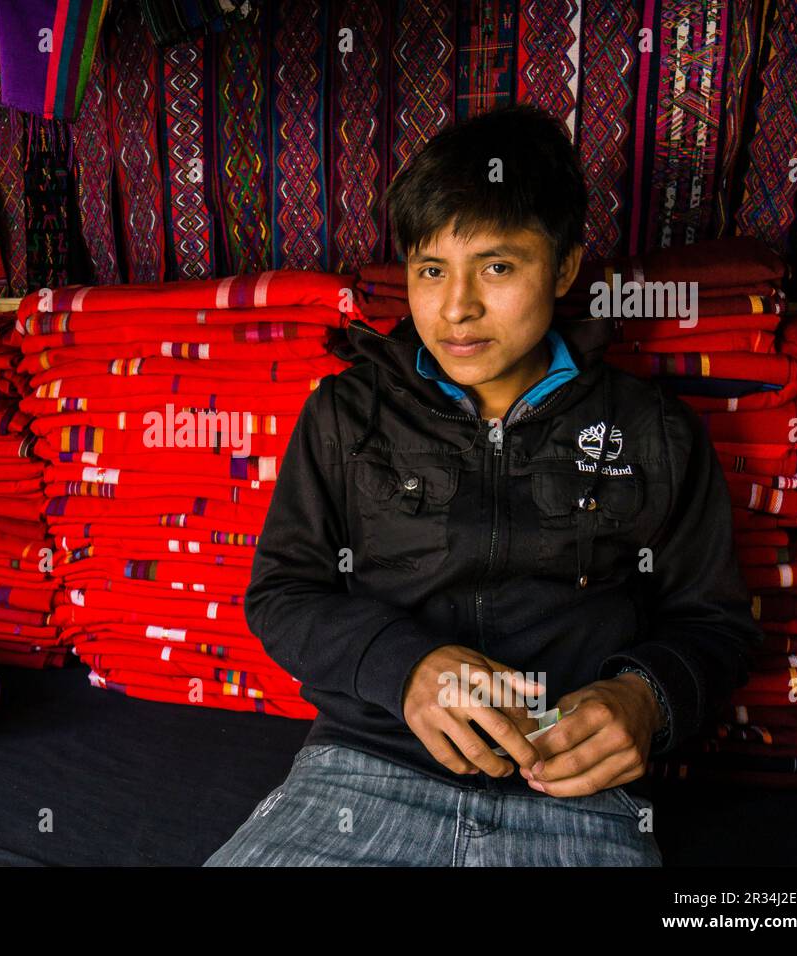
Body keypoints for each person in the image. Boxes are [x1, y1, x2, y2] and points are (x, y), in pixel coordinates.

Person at [204, 104, 765, 867]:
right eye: (431, 270)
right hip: (361, 775)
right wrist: (404, 669)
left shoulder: (653, 429)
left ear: (564, 266)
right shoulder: (346, 413)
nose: (456, 307)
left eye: (497, 267)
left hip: (572, 793)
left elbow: (717, 624)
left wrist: (645, 697)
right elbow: (282, 593)